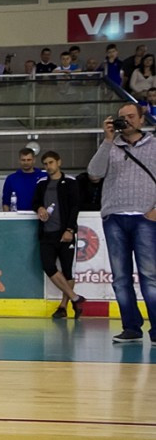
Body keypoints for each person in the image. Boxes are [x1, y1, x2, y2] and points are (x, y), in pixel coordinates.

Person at [87, 104, 156, 343]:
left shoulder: (154, 145)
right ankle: (131, 327)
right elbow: (94, 173)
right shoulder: (112, 146)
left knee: (149, 275)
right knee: (120, 278)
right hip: (114, 217)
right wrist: (107, 140)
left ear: (141, 118)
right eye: (121, 118)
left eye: (131, 117)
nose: (126, 121)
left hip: (145, 217)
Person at [32, 151, 85, 319]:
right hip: (47, 233)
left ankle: (64, 305)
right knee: (49, 266)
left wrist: (70, 229)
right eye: (45, 164)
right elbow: (36, 202)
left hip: (64, 233)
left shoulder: (70, 182)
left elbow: (75, 206)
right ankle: (76, 298)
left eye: (51, 163)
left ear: (59, 162)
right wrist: (39, 208)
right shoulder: (41, 183)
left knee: (68, 270)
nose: (48, 167)